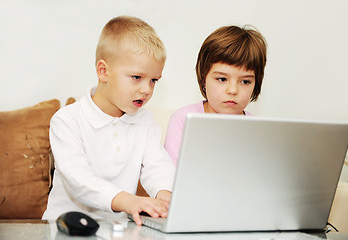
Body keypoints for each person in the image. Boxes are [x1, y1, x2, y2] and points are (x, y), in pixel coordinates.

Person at [42, 16, 175, 226]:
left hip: (116, 227)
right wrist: (127, 201)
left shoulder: (146, 121)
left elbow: (157, 164)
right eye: (136, 77)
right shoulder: (67, 120)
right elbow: (79, 179)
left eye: (153, 80)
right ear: (103, 71)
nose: (147, 89)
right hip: (65, 225)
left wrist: (165, 193)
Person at [164, 25, 267, 166]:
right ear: (203, 78)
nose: (233, 90)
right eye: (222, 79)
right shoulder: (183, 119)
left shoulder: (258, 129)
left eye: (245, 81)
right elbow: (170, 177)